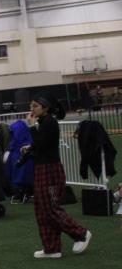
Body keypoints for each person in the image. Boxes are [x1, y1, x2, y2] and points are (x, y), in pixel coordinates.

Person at [21, 97, 91, 259]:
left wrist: (31, 127)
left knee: (50, 208)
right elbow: (41, 145)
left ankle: (81, 234)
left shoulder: (50, 122)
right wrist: (30, 148)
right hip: (43, 169)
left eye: (35, 106)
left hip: (50, 171)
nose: (32, 109)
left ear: (45, 108)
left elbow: (43, 143)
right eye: (31, 105)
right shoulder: (44, 122)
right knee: (41, 210)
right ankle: (51, 248)